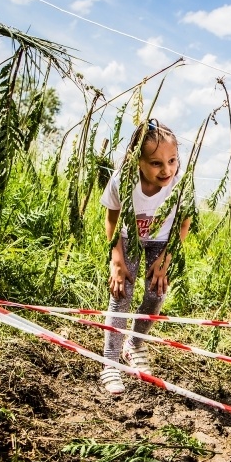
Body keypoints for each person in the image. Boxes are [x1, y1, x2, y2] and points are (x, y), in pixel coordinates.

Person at [99, 119, 191, 395]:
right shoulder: (122, 181)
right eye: (156, 163)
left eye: (172, 160)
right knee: (121, 295)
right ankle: (110, 362)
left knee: (156, 294)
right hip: (128, 238)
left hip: (162, 242)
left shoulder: (180, 185)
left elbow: (184, 224)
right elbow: (111, 220)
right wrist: (117, 259)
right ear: (137, 161)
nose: (167, 170)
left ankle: (135, 344)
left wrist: (166, 259)